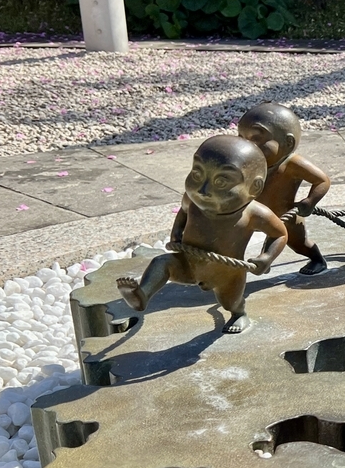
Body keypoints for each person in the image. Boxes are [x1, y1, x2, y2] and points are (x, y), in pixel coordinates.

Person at [116, 136, 287, 334]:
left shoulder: (254, 214)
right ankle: (142, 295)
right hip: (188, 263)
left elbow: (280, 234)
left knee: (231, 301)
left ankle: (239, 314)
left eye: (221, 182)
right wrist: (177, 233)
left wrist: (266, 258)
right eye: (197, 175)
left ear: (254, 188)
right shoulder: (192, 199)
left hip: (226, 273)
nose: (204, 190)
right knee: (162, 263)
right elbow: (183, 212)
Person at [237, 102, 331, 275]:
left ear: (287, 142)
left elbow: (322, 181)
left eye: (256, 138)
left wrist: (309, 202)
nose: (248, 145)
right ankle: (236, 267)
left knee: (299, 243)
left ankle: (317, 259)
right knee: (235, 238)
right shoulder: (248, 162)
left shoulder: (292, 164)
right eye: (241, 138)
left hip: (285, 215)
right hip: (254, 213)